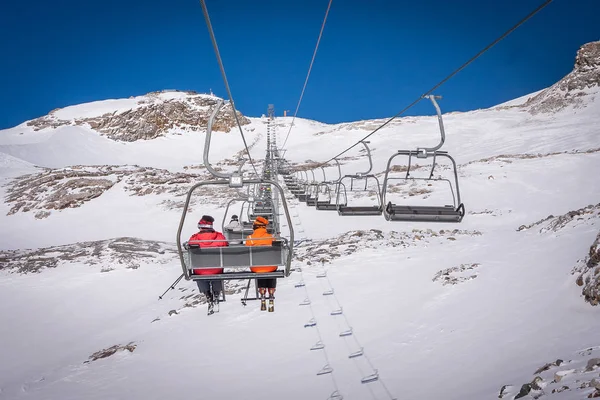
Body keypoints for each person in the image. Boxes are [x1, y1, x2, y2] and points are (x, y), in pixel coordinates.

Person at [188, 215, 228, 315]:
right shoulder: (219, 237)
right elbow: (226, 245)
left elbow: (189, 247)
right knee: (216, 272)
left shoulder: (194, 238)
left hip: (200, 270)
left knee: (201, 273)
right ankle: (216, 293)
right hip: (216, 269)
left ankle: (208, 295)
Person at [245, 216, 277, 312]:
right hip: (271, 267)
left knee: (260, 270)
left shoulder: (250, 238)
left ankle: (262, 293)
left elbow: (247, 252)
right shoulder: (271, 238)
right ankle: (271, 292)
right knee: (270, 270)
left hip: (256, 267)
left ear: (255, 226)